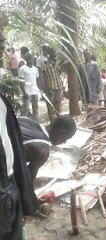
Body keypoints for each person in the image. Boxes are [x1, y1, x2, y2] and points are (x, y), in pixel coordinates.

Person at [0, 14, 39, 239]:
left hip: (9, 194)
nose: (4, 41)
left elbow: (11, 155)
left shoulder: (2, 101)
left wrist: (22, 199)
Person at [17, 116, 76, 181]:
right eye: (65, 139)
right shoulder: (42, 150)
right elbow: (27, 182)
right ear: (61, 133)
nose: (64, 142)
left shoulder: (24, 119)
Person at [43, 47, 66, 115]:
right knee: (50, 103)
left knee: (58, 101)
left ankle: (57, 115)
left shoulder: (56, 62)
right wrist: (48, 87)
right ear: (49, 53)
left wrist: (63, 65)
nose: (55, 54)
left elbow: (59, 71)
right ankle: (51, 119)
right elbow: (45, 76)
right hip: (51, 86)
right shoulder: (45, 63)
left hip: (58, 85)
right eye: (54, 52)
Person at [18, 53, 40, 121]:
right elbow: (21, 81)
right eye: (29, 58)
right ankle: (22, 123)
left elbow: (37, 80)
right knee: (25, 109)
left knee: (35, 109)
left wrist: (39, 90)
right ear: (26, 59)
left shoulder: (35, 69)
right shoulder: (22, 68)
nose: (31, 59)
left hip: (35, 92)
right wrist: (24, 92)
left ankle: (35, 122)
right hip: (27, 92)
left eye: (32, 58)